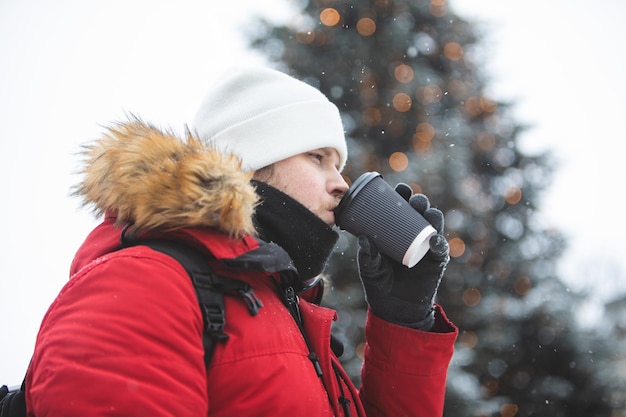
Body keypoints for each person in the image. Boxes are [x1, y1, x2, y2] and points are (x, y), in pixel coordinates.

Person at [25, 67, 458, 416]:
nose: (341, 184)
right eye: (317, 157)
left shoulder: (279, 304)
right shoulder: (146, 282)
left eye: (338, 163)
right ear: (251, 160)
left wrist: (403, 321)